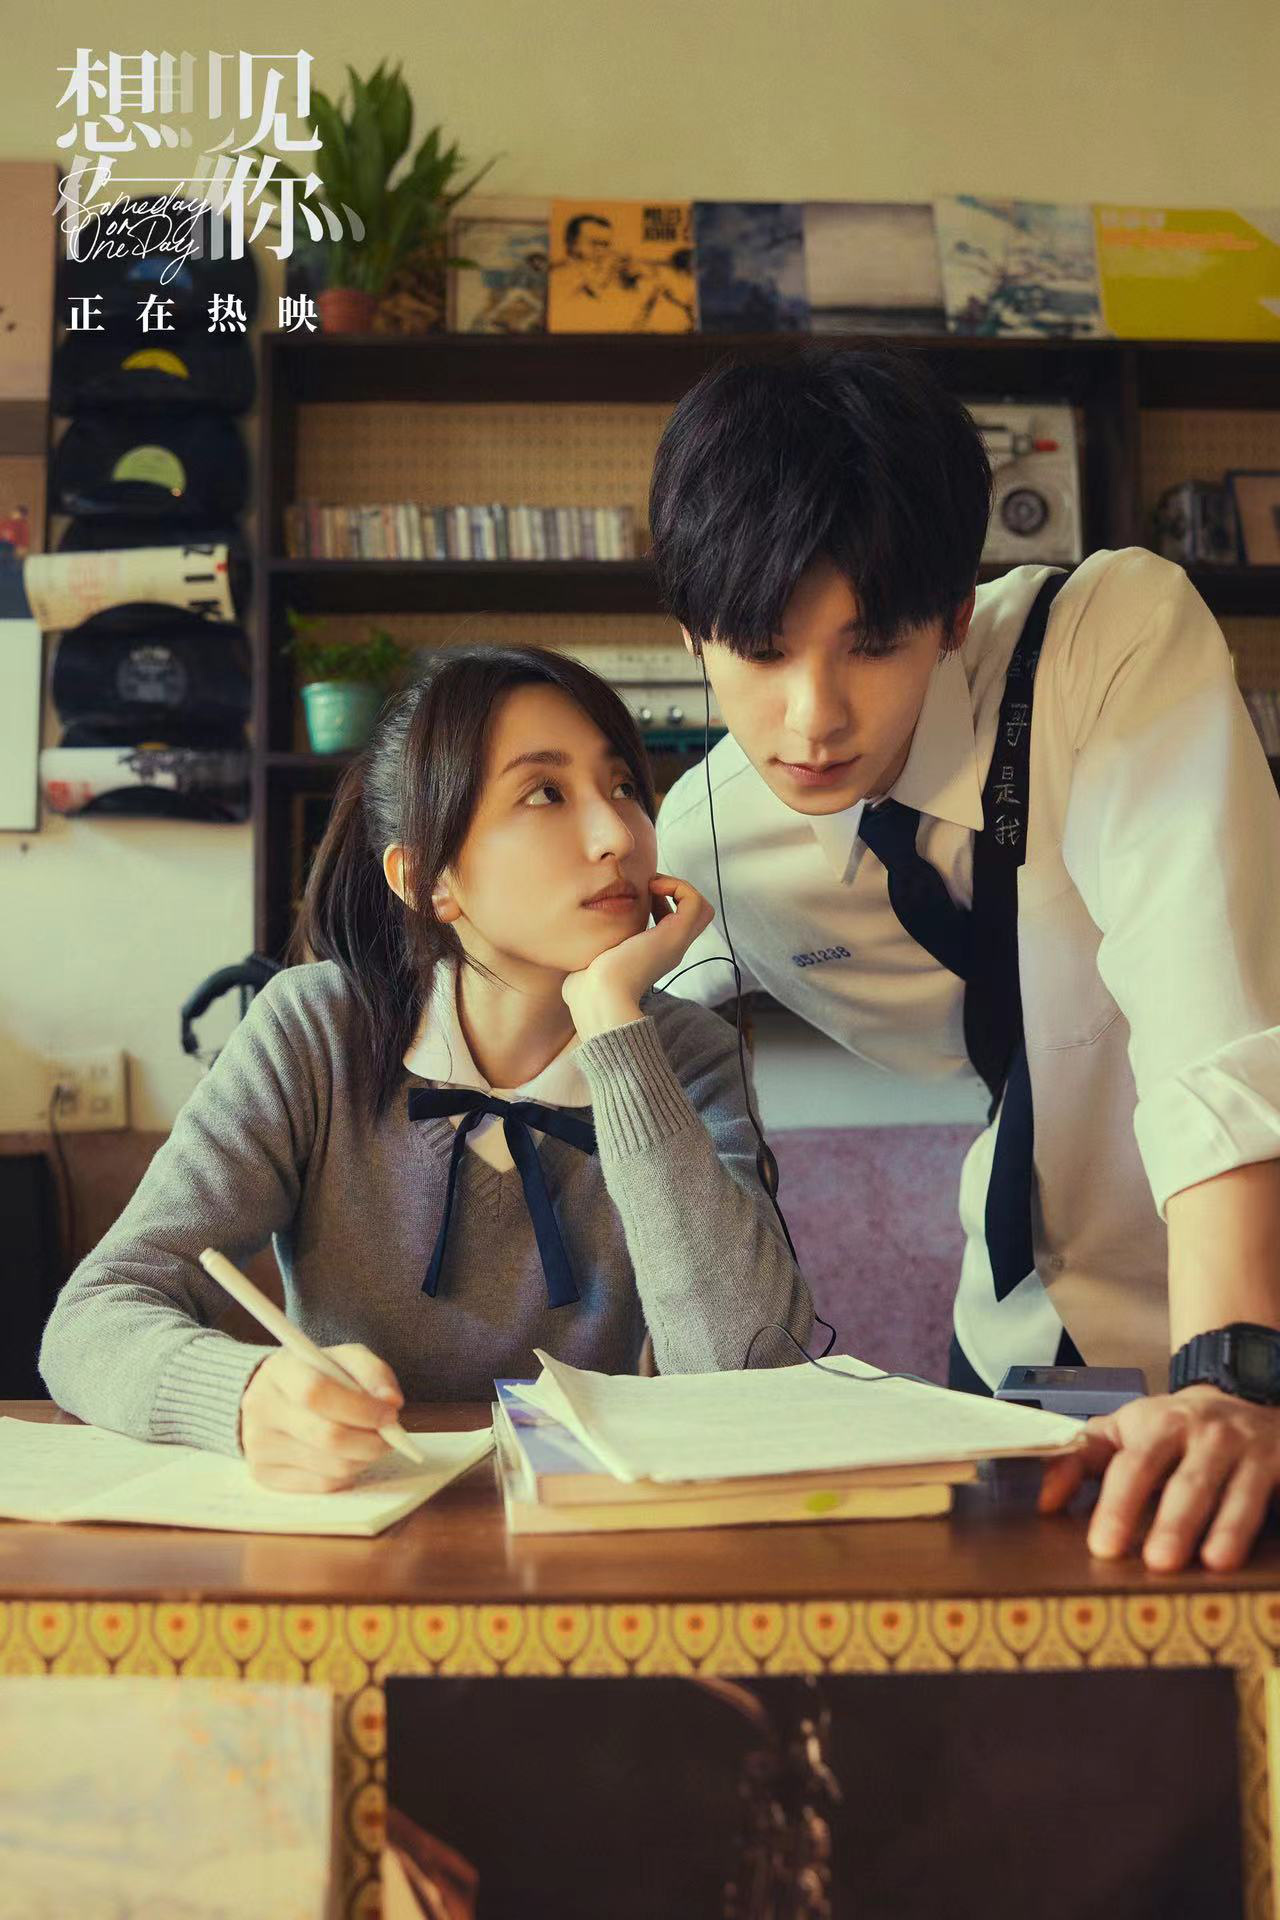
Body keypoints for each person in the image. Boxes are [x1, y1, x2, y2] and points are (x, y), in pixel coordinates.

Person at [649, 344, 1280, 1574]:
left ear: (949, 615)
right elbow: (611, 1081)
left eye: (870, 642)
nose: (812, 719)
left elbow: (1209, 1024)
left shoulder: (1103, 642)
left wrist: (1234, 1376)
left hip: (1245, 1331)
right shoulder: (705, 841)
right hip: (1010, 1351)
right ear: (690, 634)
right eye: (761, 649)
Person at [39, 644, 813, 1492]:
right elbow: (93, 1319)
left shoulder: (685, 1053)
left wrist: (614, 1027)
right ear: (428, 880)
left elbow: (752, 1372)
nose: (617, 835)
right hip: (360, 1519)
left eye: (624, 786)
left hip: (582, 1525)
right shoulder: (316, 1031)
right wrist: (245, 1396)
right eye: (545, 792)